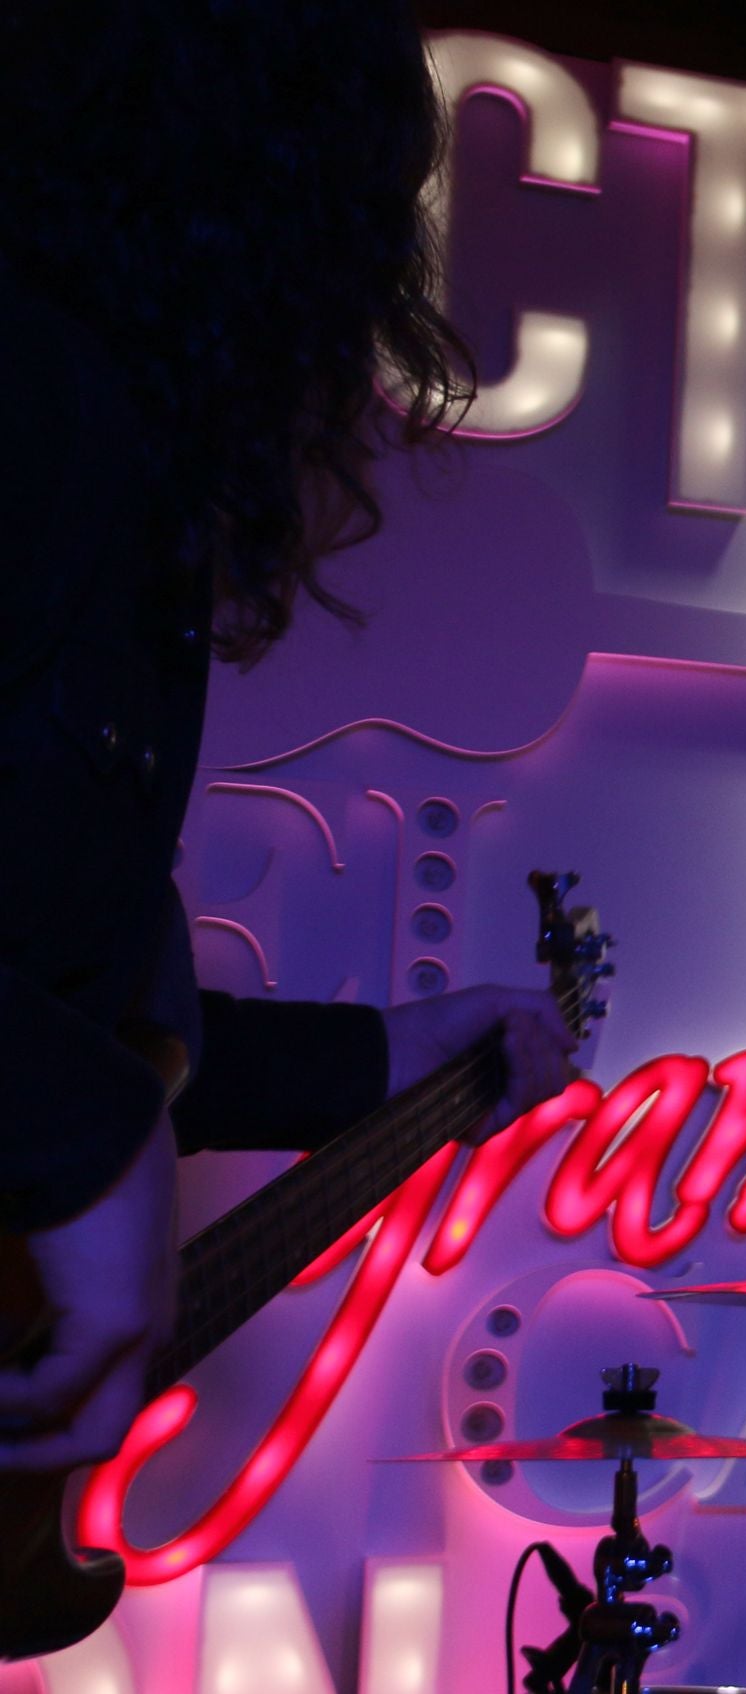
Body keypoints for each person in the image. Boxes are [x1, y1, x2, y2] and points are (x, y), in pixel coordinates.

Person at [0, 0, 576, 1475]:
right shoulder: (38, 401)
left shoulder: (111, 455)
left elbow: (74, 1004)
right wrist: (83, 1144)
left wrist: (383, 1057)